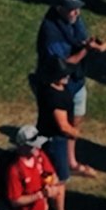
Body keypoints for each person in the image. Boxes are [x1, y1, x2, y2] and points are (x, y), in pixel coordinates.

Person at [36, 0, 105, 178]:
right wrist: (87, 50)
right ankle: (46, 166)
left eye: (77, 8)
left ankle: (71, 161)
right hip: (58, 84)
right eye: (71, 9)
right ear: (59, 8)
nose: (76, 12)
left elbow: (81, 39)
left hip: (76, 79)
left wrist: (94, 45)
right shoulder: (50, 32)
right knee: (56, 127)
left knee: (76, 118)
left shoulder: (73, 18)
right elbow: (63, 65)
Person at [1, 125, 67, 210]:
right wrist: (40, 195)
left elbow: (52, 175)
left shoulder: (39, 156)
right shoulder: (15, 170)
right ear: (22, 146)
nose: (37, 148)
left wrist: (50, 185)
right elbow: (15, 200)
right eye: (33, 146)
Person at [35, 60, 87, 196]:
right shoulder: (54, 97)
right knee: (59, 179)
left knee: (50, 173)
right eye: (64, 74)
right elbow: (63, 126)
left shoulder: (53, 88)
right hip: (55, 141)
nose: (67, 76)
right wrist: (77, 133)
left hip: (52, 138)